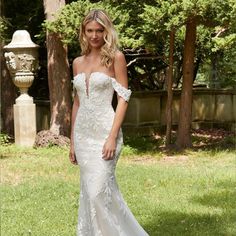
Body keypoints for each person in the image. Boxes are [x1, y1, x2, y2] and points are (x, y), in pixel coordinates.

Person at [69, 9, 149, 236]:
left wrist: (112, 136)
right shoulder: (77, 62)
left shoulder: (116, 58)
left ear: (107, 31)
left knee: (98, 192)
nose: (94, 35)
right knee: (94, 194)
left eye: (99, 30)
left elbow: (123, 97)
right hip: (83, 135)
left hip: (106, 131)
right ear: (83, 33)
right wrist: (73, 142)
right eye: (89, 31)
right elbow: (76, 103)